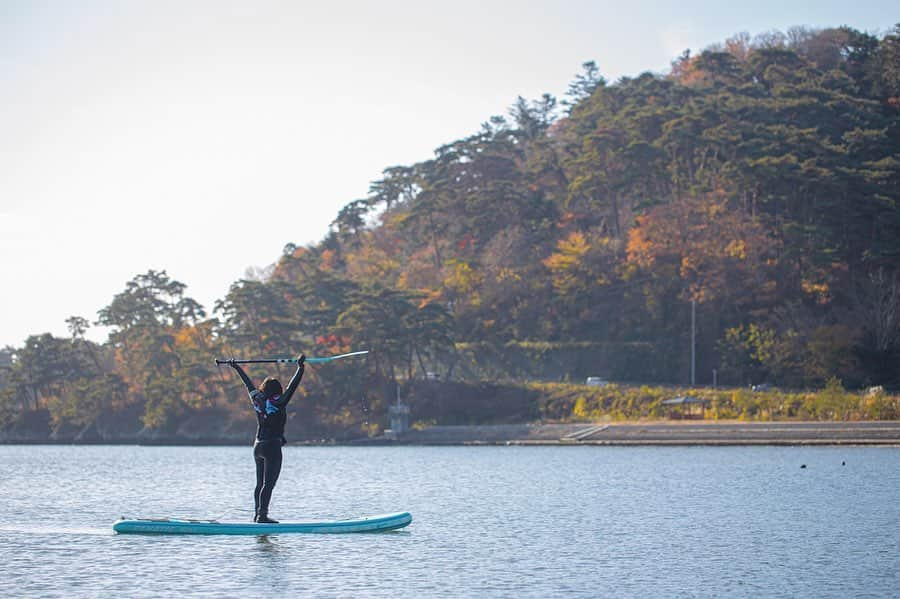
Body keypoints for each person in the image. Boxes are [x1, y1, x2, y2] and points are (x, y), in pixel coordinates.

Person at [226, 355, 305, 523]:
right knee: (268, 484)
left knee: (259, 483)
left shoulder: (257, 400)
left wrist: (236, 367)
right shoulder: (278, 402)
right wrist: (300, 368)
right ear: (278, 391)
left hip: (258, 446)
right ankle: (262, 517)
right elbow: (292, 387)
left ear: (263, 389)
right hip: (272, 447)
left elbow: (248, 384)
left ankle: (257, 515)